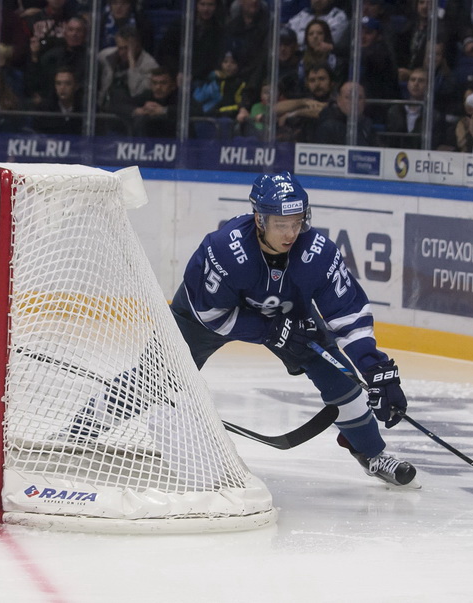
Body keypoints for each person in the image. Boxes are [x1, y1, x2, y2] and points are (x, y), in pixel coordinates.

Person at [170, 173, 418, 487]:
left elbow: (348, 313)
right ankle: (90, 422)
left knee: (341, 380)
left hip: (288, 315)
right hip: (206, 318)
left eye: (297, 222)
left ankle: (370, 451)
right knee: (156, 377)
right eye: (281, 224)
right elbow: (209, 313)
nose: (291, 233)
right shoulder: (225, 249)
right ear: (259, 219)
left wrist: (375, 367)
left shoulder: (317, 252)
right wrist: (268, 330)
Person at [313, 81, 378, 147]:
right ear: (339, 101)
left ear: (365, 102)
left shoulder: (366, 125)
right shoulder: (328, 127)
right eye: (349, 97)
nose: (354, 102)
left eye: (359, 98)